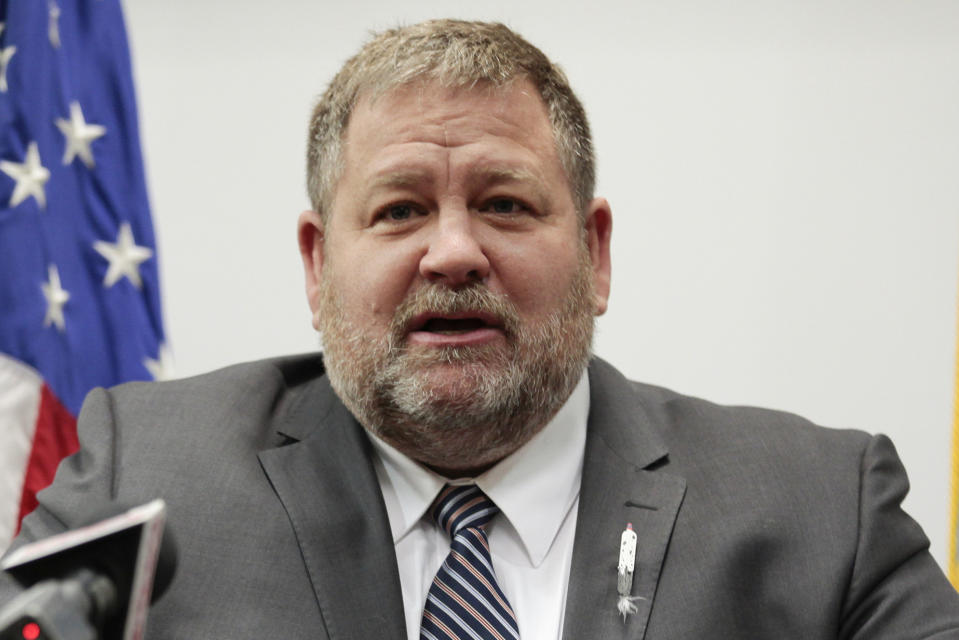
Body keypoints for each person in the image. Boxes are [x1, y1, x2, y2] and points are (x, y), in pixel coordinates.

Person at [2, 18, 958, 640]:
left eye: (504, 205)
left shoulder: (818, 508)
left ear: (596, 254)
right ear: (313, 264)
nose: (453, 252)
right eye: (399, 211)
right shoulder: (154, 474)